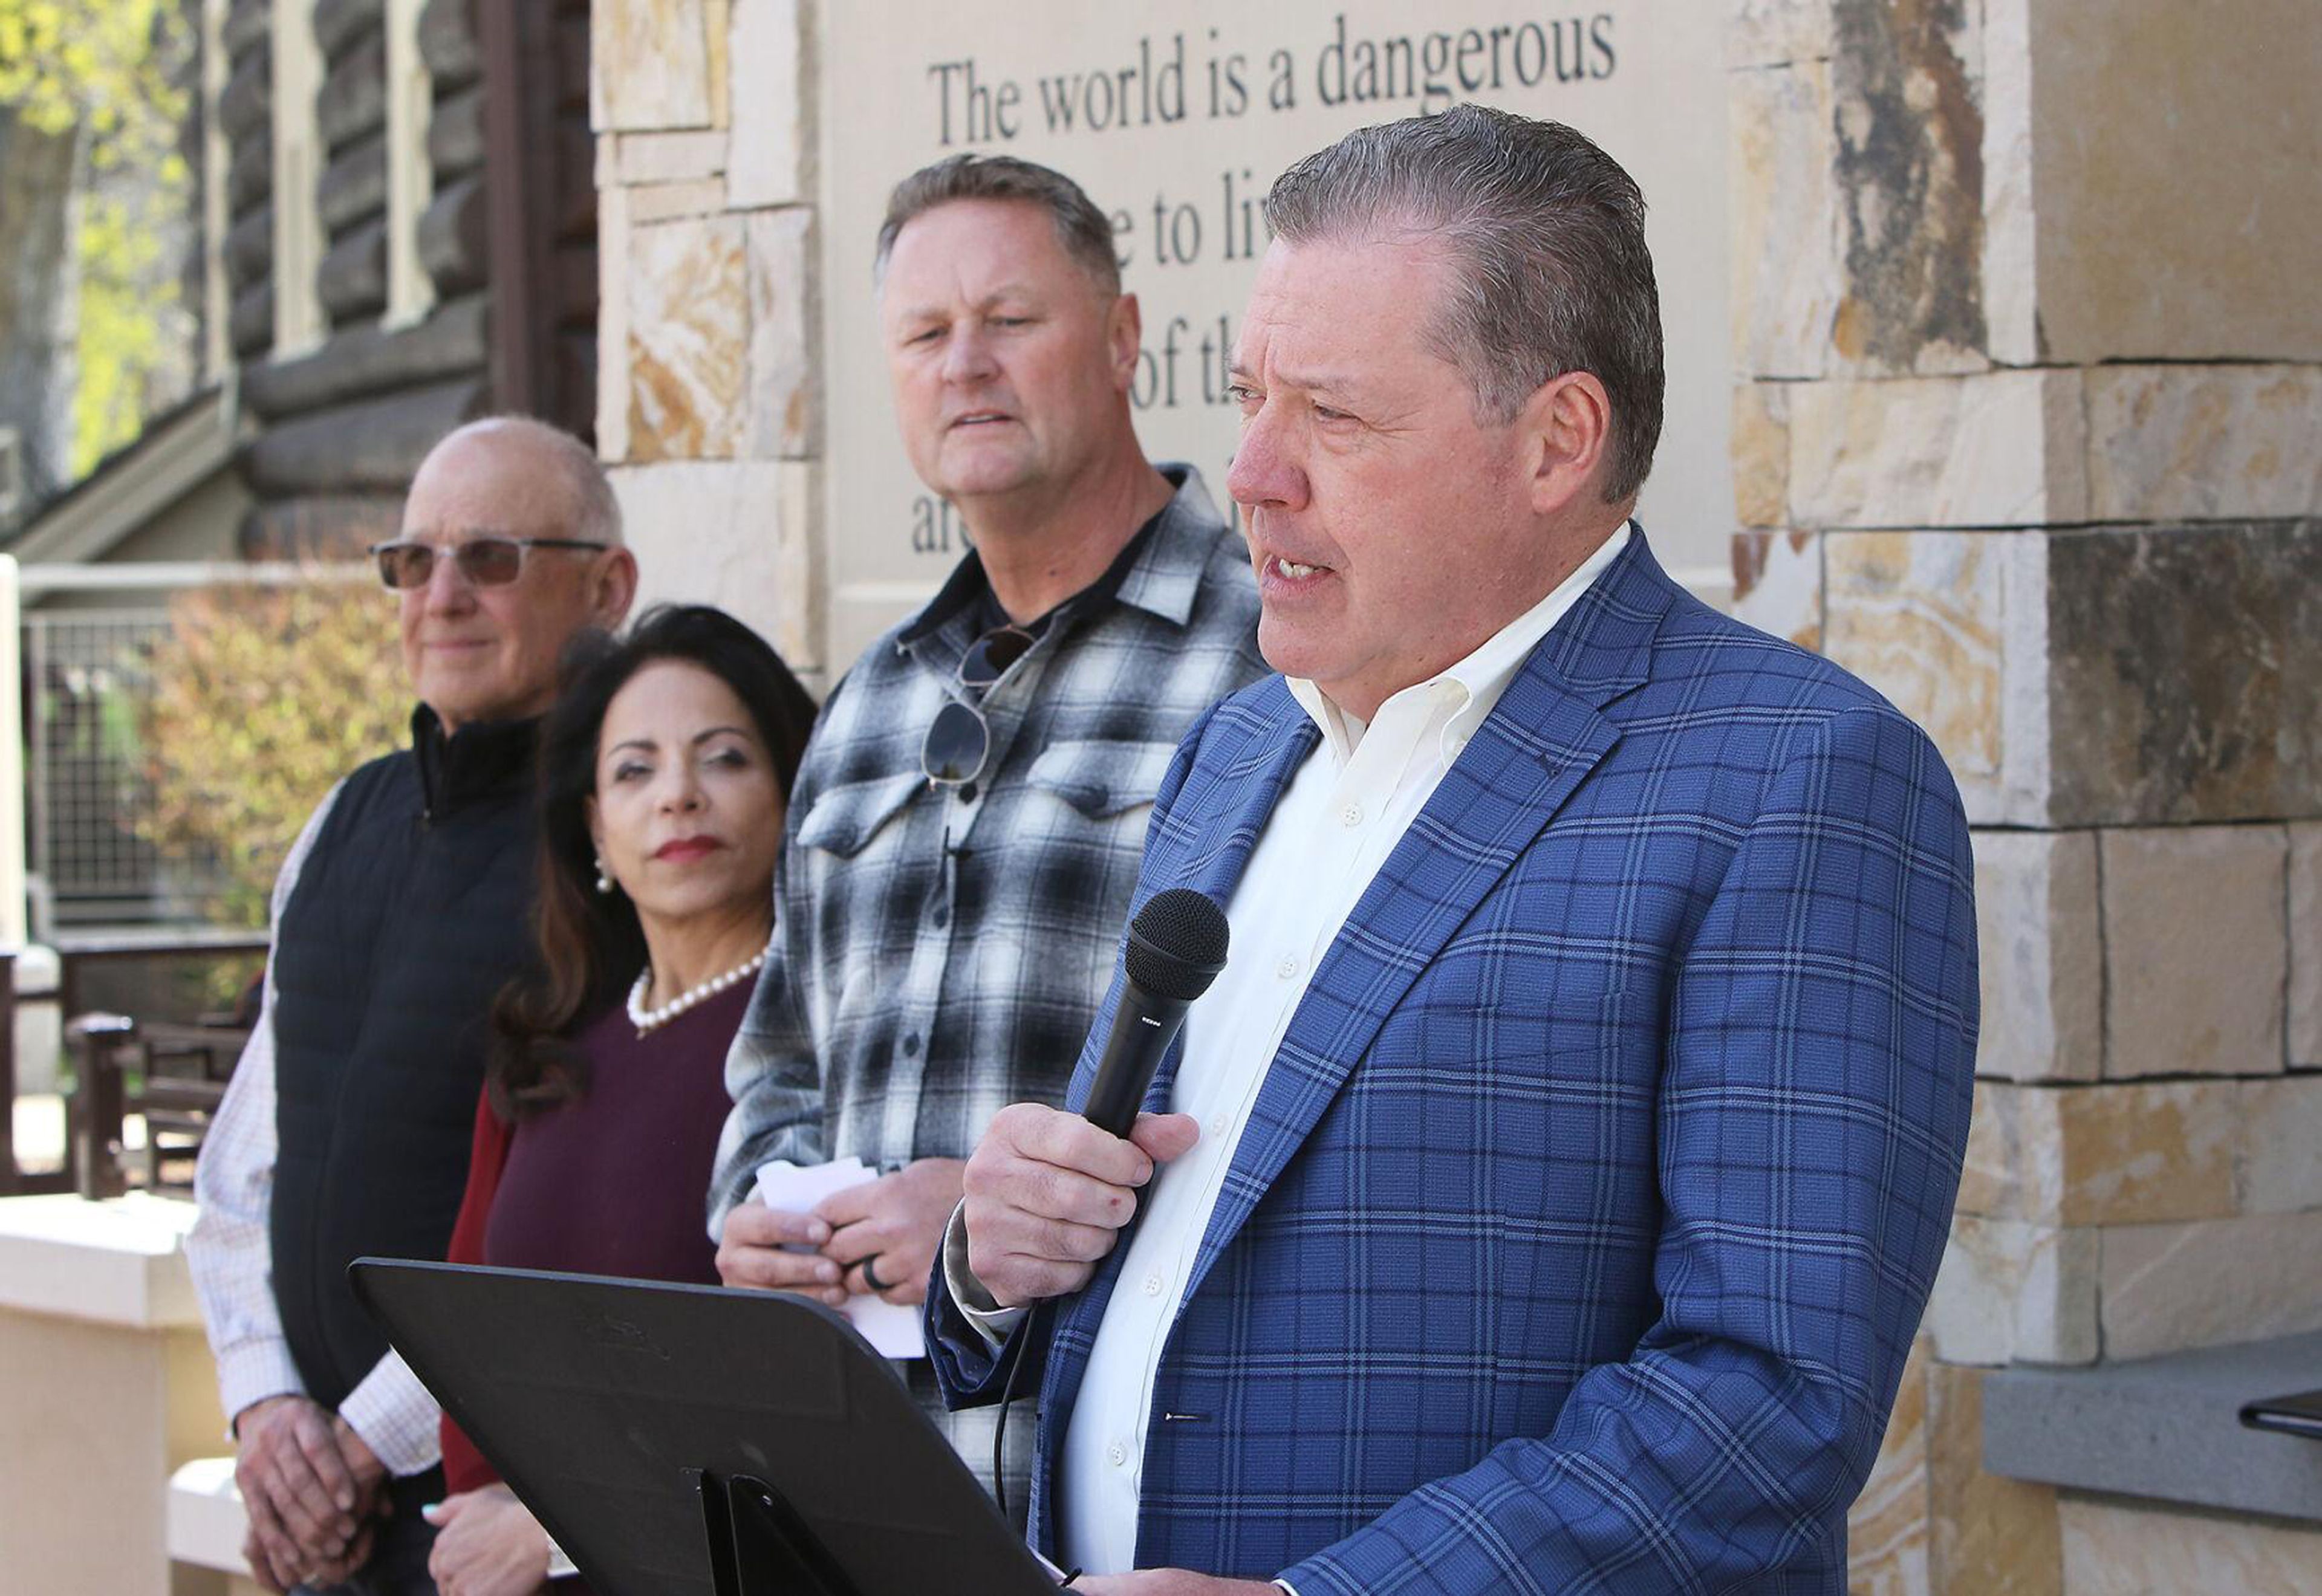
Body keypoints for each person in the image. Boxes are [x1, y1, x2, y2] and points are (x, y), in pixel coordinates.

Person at [930, 106, 1980, 1593]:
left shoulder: (1796, 777)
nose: (1252, 473)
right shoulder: (1239, 749)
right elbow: (1148, 1276)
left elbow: (1763, 1408)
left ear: (1557, 440)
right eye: (1247, 399)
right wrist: (990, 1260)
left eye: (1333, 417)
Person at [706, 152, 1267, 1504]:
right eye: (924, 334)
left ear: (1125, 340)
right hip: (850, 1480)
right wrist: (760, 1217)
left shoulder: (1277, 653)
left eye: (1010, 321)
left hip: (1125, 1480)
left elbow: (1303, 1063)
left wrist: (991, 1197)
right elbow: (780, 1055)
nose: (966, 364)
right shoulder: (865, 707)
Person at [187, 417, 639, 1595]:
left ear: (607, 587)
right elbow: (243, 1172)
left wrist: (355, 1441)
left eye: (491, 558)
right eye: (411, 562)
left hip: (505, 1520)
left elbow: (580, 1229)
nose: (441, 596)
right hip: (320, 1526)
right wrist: (268, 1412)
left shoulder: (620, 853)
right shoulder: (344, 819)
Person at [420, 605, 818, 1596]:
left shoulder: (816, 1055)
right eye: (635, 770)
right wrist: (496, 1523)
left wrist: (553, 1534)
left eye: (723, 758)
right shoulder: (539, 1062)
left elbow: (810, 1407)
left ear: (791, 786)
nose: (678, 797)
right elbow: (468, 1352)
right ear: (594, 823)